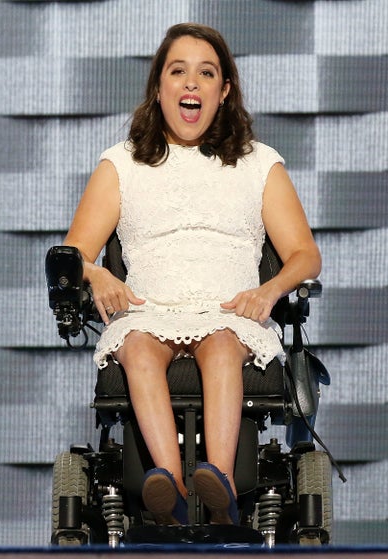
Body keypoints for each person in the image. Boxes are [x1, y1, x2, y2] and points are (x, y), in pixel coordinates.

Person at [63, 22, 321, 526]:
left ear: (223, 92)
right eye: (177, 71)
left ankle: (218, 485)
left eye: (205, 74)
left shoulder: (258, 164)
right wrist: (96, 275)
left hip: (228, 310)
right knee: (136, 347)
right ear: (158, 87)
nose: (190, 84)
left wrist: (268, 292)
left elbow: (305, 255)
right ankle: (172, 491)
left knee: (222, 343)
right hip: (148, 311)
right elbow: (74, 253)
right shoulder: (121, 165)